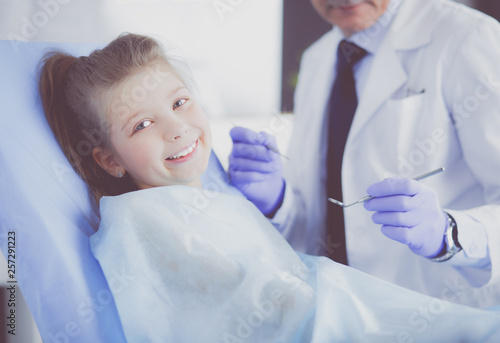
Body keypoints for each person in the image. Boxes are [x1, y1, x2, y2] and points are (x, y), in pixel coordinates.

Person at [37, 32, 500, 342]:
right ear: (109, 159)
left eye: (180, 101)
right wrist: (281, 208)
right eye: (142, 124)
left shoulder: (468, 40)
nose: (178, 129)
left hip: (422, 298)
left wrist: (451, 235)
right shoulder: (137, 224)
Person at [228, 0, 500, 309]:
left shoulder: (468, 38)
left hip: (444, 315)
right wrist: (277, 201)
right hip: (340, 312)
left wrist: (448, 234)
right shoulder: (318, 57)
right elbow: (324, 215)